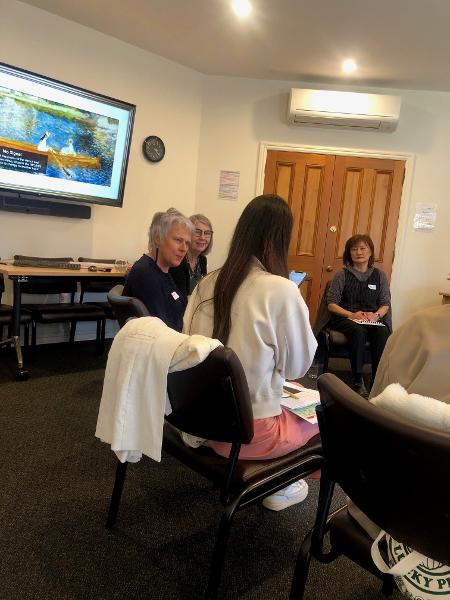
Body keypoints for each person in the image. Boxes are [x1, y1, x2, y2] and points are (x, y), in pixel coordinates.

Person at [183, 194, 319, 511]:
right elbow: (297, 366)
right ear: (279, 239)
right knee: (325, 416)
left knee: (290, 396)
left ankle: (275, 476)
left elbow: (186, 341)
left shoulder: (207, 281)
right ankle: (278, 482)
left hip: (199, 420)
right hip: (247, 436)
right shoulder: (281, 289)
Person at [326, 234, 391, 397]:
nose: (359, 252)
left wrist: (376, 316)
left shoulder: (379, 275)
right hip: (345, 317)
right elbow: (332, 304)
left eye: (363, 248)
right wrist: (352, 314)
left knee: (383, 331)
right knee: (358, 331)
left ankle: (376, 380)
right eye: (354, 249)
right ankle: (357, 379)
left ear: (370, 252)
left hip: (371, 319)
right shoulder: (342, 274)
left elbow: (385, 304)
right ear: (349, 253)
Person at [123, 208, 193, 332]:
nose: (184, 248)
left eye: (187, 243)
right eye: (178, 240)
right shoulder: (145, 274)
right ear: (157, 238)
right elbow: (162, 331)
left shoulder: (163, 270)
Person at [370, 303, 450, 403]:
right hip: (354, 317)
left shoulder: (418, 322)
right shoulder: (420, 323)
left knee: (379, 333)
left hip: (394, 411)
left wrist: (376, 315)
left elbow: (385, 305)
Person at [170, 214, 213, 299]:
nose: (203, 237)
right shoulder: (179, 259)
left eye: (207, 233)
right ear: (187, 234)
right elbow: (181, 298)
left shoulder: (202, 260)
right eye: (197, 232)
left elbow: (203, 291)